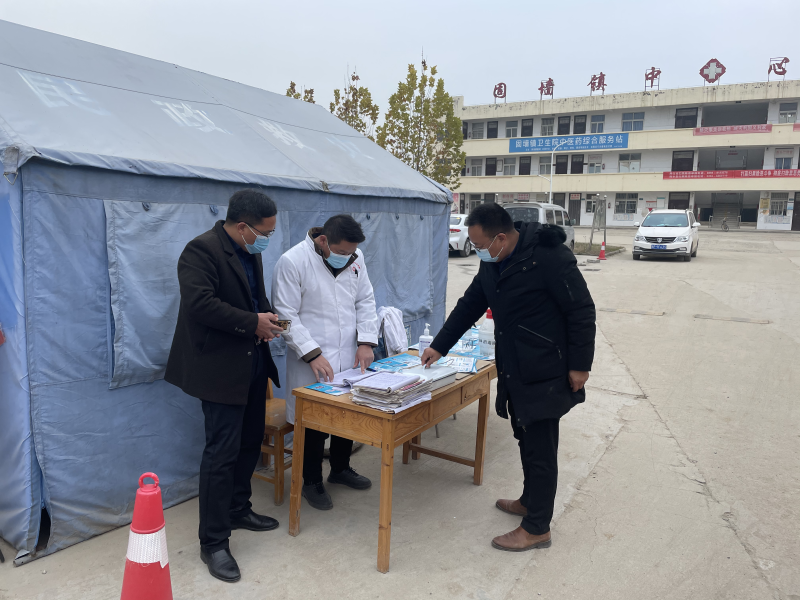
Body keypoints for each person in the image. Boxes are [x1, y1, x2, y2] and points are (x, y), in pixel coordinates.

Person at [421, 203, 596, 552]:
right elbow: (470, 304)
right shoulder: (493, 262)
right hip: (515, 366)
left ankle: (537, 528)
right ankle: (530, 501)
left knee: (541, 448)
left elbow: (581, 310)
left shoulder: (548, 257)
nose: (478, 251)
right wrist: (439, 345)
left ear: (500, 237)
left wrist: (580, 365)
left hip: (546, 368)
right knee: (525, 438)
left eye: (480, 245)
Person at [165, 189, 286, 583]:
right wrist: (252, 322)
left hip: (253, 362)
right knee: (221, 453)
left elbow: (254, 297)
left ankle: (238, 508)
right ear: (242, 226)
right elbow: (199, 304)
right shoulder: (200, 251)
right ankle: (214, 542)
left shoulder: (252, 250)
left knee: (250, 441)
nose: (267, 239)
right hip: (219, 368)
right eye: (264, 232)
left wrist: (268, 317)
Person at [272, 214, 378, 510]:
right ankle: (311, 482)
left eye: (352, 252)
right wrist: (312, 353)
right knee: (314, 422)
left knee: (347, 413)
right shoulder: (292, 261)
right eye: (342, 251)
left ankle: (340, 469)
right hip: (310, 359)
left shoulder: (355, 257)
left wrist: (366, 342)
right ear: (323, 241)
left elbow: (365, 300)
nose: (348, 257)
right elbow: (283, 316)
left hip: (349, 355)